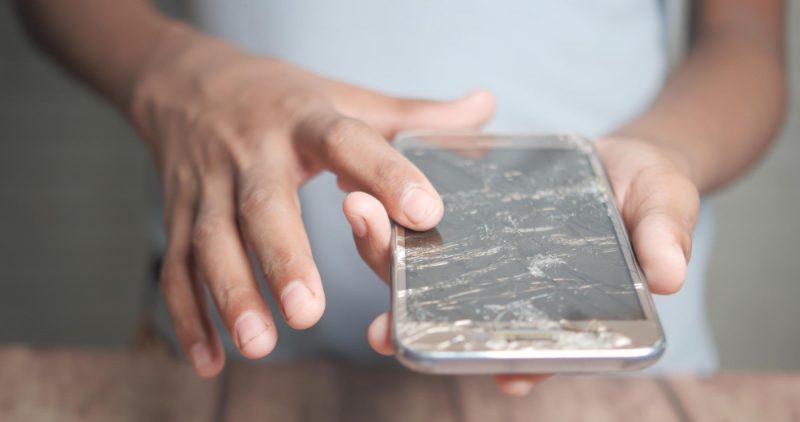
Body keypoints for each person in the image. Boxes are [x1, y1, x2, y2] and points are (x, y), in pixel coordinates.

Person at [15, 0, 786, 396]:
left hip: (624, 395)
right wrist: (176, 76)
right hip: (234, 373)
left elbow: (747, 37)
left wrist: (665, 155)